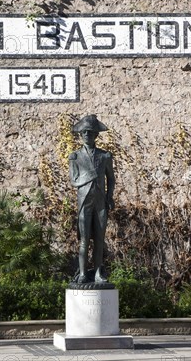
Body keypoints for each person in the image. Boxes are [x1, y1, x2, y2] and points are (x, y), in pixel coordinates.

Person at [68, 115, 115, 283]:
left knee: (100, 240)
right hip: (84, 202)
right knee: (84, 239)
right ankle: (82, 273)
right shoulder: (75, 157)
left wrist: (110, 196)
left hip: (100, 201)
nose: (87, 135)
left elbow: (111, 178)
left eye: (90, 132)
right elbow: (74, 180)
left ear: (96, 135)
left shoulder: (105, 156)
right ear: (80, 135)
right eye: (84, 132)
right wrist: (91, 175)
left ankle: (97, 273)